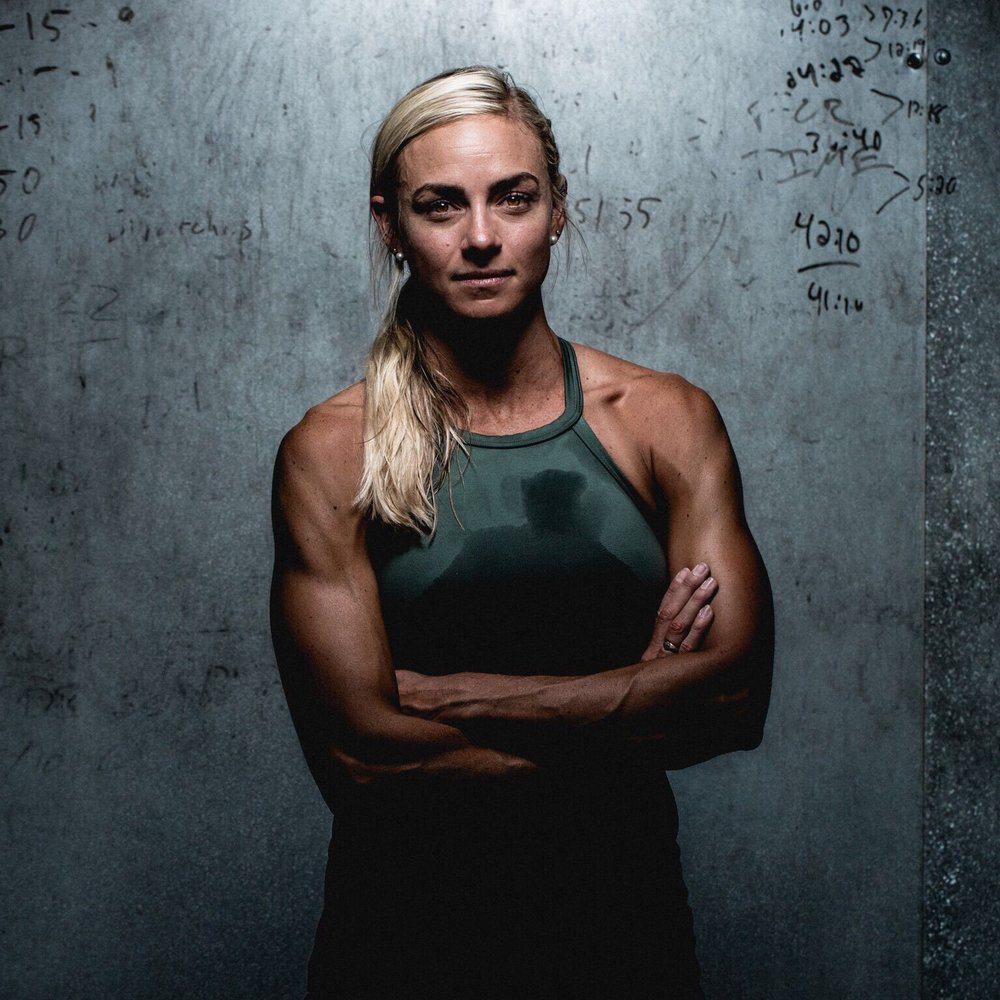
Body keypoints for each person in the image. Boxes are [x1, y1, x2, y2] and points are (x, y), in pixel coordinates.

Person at [270, 66, 773, 1000]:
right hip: (402, 949)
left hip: (623, 941)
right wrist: (633, 700)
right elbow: (364, 760)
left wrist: (463, 696)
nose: (481, 236)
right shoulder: (332, 452)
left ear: (558, 209)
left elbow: (733, 700)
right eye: (440, 205)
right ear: (389, 225)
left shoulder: (664, 420)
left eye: (513, 197)